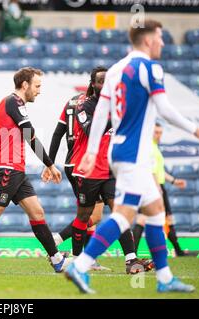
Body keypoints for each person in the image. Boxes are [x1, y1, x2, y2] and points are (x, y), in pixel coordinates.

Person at [65, 19, 199, 294]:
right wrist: (196, 130)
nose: (163, 43)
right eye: (160, 37)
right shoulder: (149, 67)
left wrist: (94, 150)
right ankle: (80, 265)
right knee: (123, 215)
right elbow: (164, 108)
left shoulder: (116, 70)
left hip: (119, 152)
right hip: (134, 153)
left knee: (155, 211)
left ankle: (165, 278)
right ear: (148, 40)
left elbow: (101, 113)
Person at [47, 66, 153, 274]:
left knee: (119, 213)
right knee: (85, 217)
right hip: (87, 170)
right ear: (93, 84)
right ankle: (76, 258)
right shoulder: (84, 106)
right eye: (100, 81)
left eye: (108, 80)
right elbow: (89, 130)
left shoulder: (119, 104)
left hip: (110, 169)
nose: (105, 84)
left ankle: (131, 260)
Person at [0, 67, 69, 274]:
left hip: (16, 169)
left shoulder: (14, 103)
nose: (39, 91)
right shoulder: (13, 101)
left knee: (37, 212)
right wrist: (49, 163)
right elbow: (30, 134)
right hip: (7, 168)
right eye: (37, 86)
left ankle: (57, 260)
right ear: (25, 85)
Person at [133, 123, 199, 257]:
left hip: (156, 186)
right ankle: (177, 251)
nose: (159, 135)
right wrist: (157, 188)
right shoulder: (150, 148)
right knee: (152, 219)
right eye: (156, 132)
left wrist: (174, 181)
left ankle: (133, 254)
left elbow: (159, 171)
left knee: (152, 218)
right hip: (153, 187)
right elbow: (151, 171)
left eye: (160, 132)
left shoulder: (154, 148)